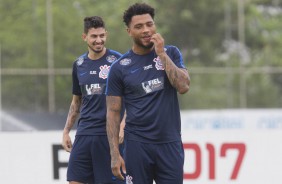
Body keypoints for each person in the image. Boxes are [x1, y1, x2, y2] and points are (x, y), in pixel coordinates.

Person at [106, 3, 190, 184]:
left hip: (169, 143)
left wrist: (161, 54)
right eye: (139, 26)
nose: (146, 30)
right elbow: (113, 113)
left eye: (149, 24)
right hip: (137, 145)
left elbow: (183, 87)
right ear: (129, 31)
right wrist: (114, 154)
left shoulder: (171, 53)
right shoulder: (119, 68)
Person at [62, 16, 125, 184]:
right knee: (74, 180)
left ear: (106, 35)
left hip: (107, 135)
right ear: (85, 37)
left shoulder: (118, 61)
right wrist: (66, 131)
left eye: (102, 36)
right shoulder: (79, 64)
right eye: (94, 36)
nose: (99, 40)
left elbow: (132, 98)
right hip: (83, 134)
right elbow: (76, 100)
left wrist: (123, 126)